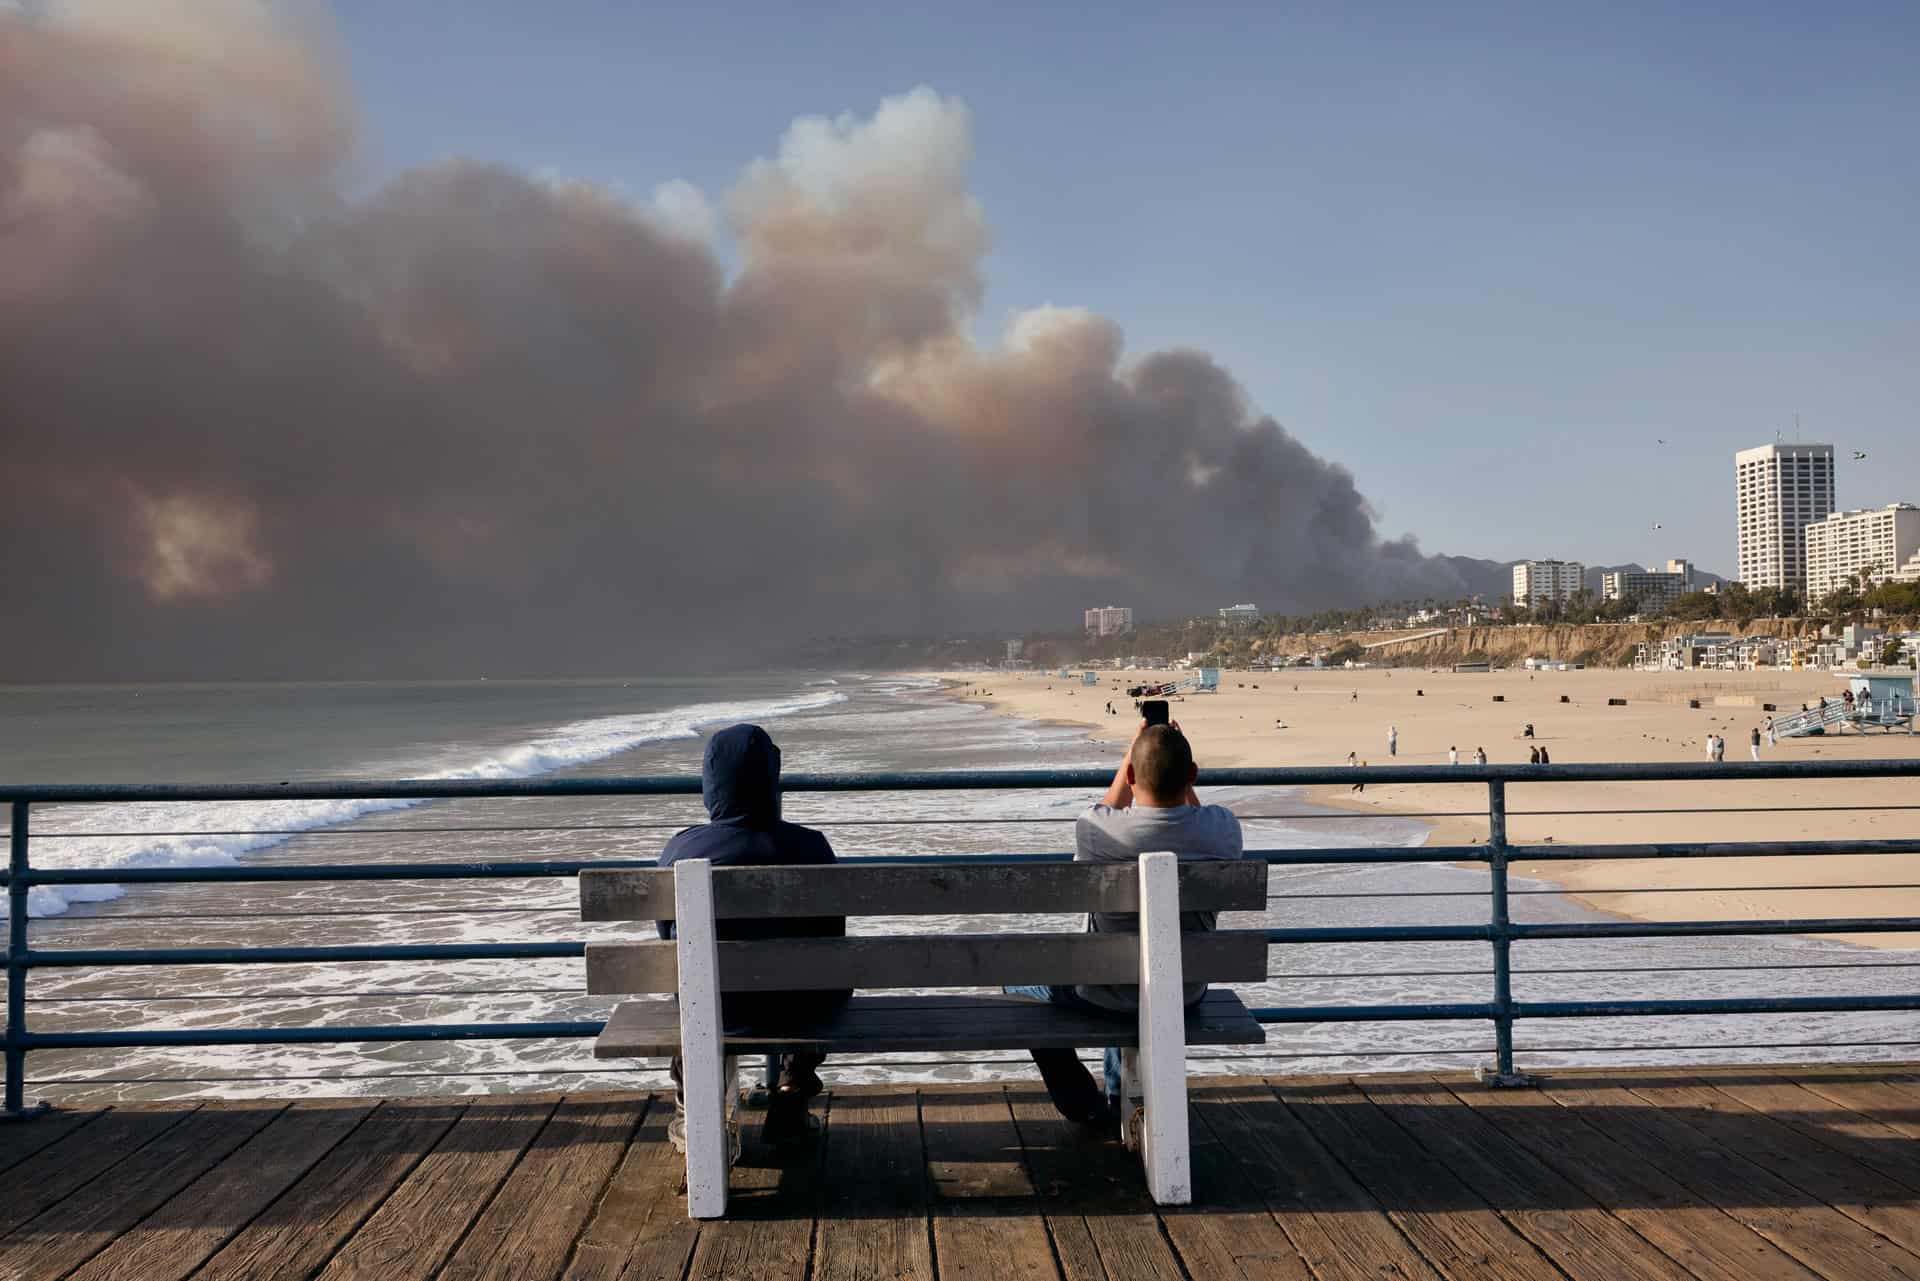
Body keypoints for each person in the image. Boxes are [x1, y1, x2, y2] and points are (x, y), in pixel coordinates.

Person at [1012, 720, 1243, 1134]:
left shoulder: (1097, 830)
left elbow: (1104, 811)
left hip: (1108, 992)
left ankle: (1082, 1103)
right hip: (1185, 991)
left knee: (1019, 987)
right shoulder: (1222, 830)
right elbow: (1196, 812)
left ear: (1132, 775)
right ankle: (1121, 1099)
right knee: (1128, 972)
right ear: (1192, 775)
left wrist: (1130, 756)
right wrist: (1175, 771)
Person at [657, 724, 847, 1150]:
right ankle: (792, 1092)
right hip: (803, 1010)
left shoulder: (681, 851)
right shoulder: (812, 848)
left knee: (691, 990)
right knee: (823, 978)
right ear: (771, 779)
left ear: (711, 784)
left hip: (714, 1008)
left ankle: (695, 1114)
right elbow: (834, 938)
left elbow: (666, 939)